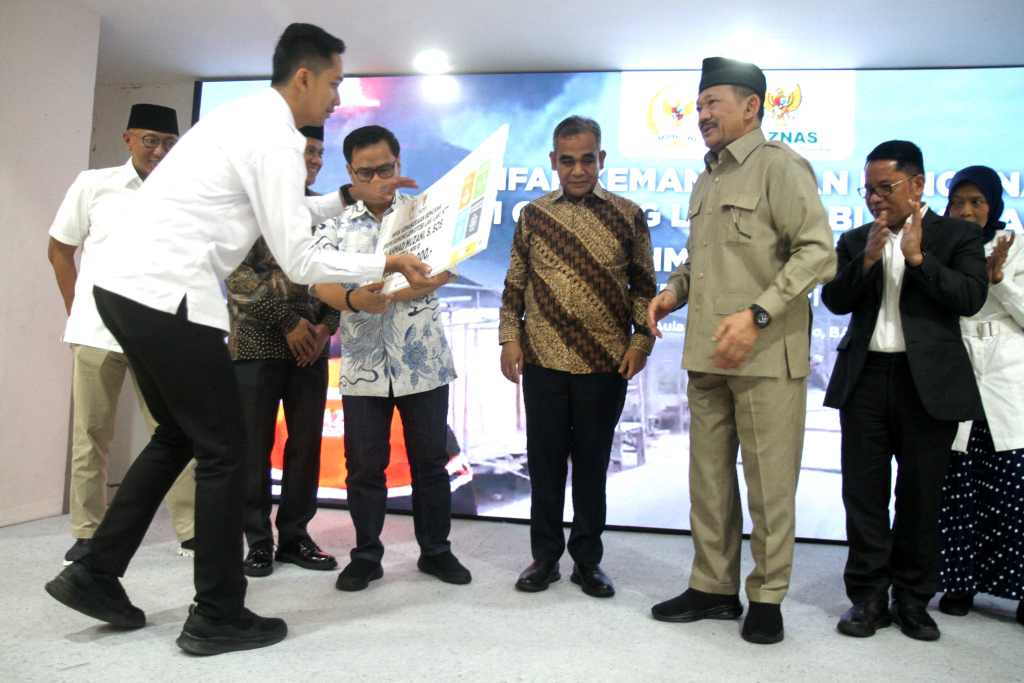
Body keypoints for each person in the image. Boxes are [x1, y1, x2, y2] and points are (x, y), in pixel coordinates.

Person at [44, 23, 436, 656]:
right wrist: (385, 262)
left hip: (122, 289)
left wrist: (344, 196)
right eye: (334, 84)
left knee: (179, 433)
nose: (338, 98)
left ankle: (95, 572)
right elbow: (301, 258)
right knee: (225, 450)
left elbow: (274, 212)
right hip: (170, 294)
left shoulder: (243, 122)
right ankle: (218, 613)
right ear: (303, 78)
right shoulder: (276, 139)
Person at [647, 57, 837, 645]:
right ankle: (712, 587)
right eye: (699, 105)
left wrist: (758, 314)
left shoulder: (780, 168)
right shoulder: (707, 178)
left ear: (752, 106)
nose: (701, 114)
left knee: (769, 485)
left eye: (713, 103)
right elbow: (701, 260)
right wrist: (673, 290)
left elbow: (817, 253)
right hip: (707, 354)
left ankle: (768, 596)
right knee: (708, 483)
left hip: (764, 357)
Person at [821, 141, 987, 641]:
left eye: (885, 188)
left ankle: (913, 600)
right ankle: (868, 598)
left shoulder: (956, 234)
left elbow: (971, 297)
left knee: (919, 498)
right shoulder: (855, 240)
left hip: (928, 385)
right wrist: (869, 260)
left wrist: (917, 259)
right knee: (864, 496)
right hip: (866, 378)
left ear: (918, 185)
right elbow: (834, 299)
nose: (875, 199)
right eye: (868, 190)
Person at [499, 115, 657, 599]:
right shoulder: (533, 216)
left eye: (587, 159)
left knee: (591, 466)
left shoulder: (628, 215)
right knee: (545, 464)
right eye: (567, 160)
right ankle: (544, 559)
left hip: (603, 363)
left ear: (602, 159)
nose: (578, 169)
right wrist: (510, 338)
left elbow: (644, 289)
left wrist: (640, 343)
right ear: (553, 162)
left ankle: (587, 561)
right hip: (543, 359)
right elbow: (515, 283)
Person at [312, 125, 470, 591]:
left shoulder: (425, 215)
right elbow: (321, 282)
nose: (378, 178)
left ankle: (436, 552)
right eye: (367, 172)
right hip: (363, 366)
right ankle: (365, 555)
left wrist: (425, 281)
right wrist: (354, 301)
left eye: (386, 168)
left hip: (423, 363)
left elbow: (448, 263)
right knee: (364, 467)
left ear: (399, 165)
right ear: (350, 173)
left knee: (430, 462)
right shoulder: (335, 227)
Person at [47, 104, 196, 565]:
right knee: (90, 434)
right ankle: (88, 532)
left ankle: (191, 531)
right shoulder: (94, 184)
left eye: (169, 142)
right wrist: (77, 310)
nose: (159, 150)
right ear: (128, 138)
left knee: (173, 433)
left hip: (157, 336)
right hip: (97, 331)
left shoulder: (184, 193)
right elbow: (59, 250)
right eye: (150, 139)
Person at [227, 125, 339, 578]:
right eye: (306, 151)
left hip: (310, 347)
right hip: (256, 342)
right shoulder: (251, 206)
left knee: (306, 445)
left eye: (319, 153)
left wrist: (325, 327)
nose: (313, 160)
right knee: (254, 446)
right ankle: (257, 540)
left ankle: (295, 535)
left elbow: (339, 272)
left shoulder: (327, 213)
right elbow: (236, 276)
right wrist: (288, 320)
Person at [937, 165, 1024, 627]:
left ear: (995, 204)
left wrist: (1000, 280)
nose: (967, 211)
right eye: (958, 202)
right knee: (958, 484)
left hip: (1009, 378)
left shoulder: (1019, 245)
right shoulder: (942, 246)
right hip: (957, 370)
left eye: (977, 202)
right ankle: (958, 582)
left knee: (1014, 488)